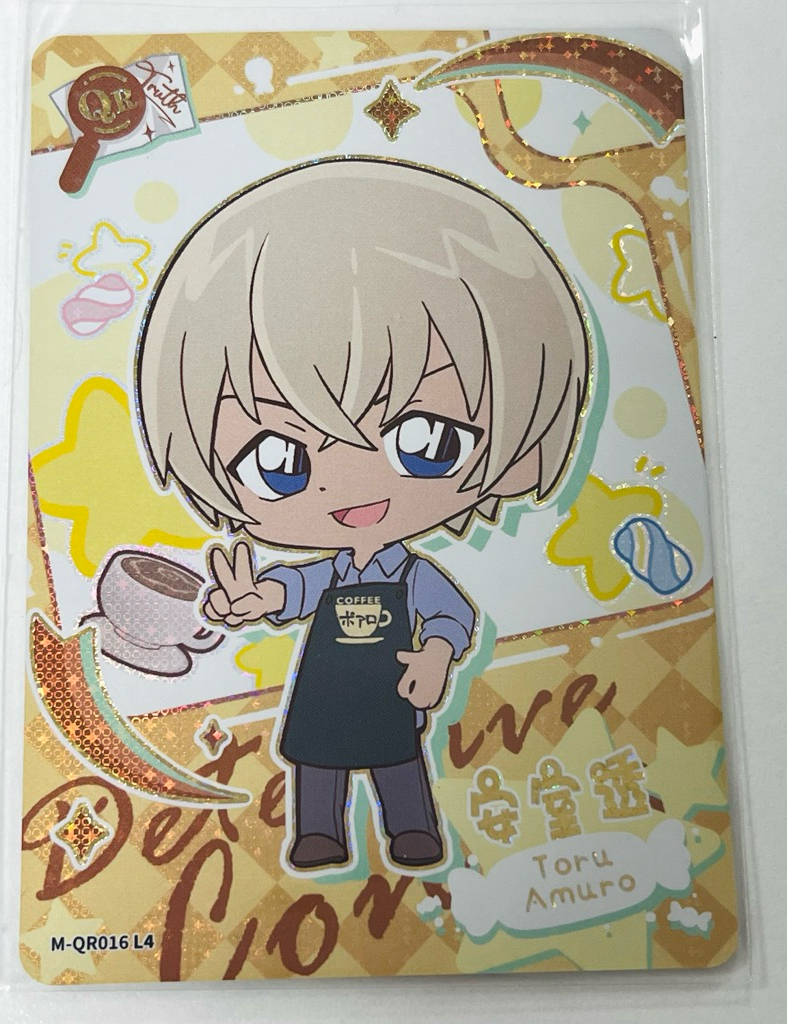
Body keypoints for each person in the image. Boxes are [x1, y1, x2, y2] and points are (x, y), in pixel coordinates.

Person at [135, 157, 590, 870]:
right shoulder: (331, 573)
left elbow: (450, 616)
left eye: (427, 440)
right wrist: (259, 598)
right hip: (323, 691)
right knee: (316, 758)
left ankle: (412, 829)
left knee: (396, 755)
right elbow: (296, 589)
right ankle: (318, 832)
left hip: (391, 684)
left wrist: (435, 657)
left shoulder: (409, 574)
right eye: (278, 460)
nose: (350, 486)